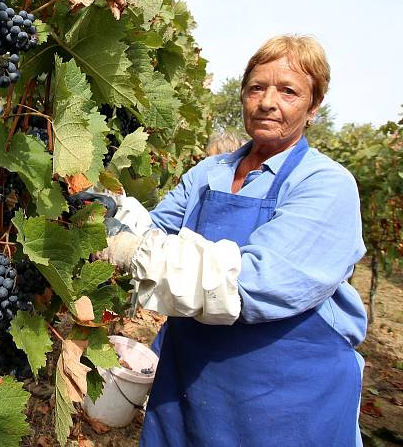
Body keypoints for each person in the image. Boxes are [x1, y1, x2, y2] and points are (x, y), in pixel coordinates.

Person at [98, 35, 366, 447]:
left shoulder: (325, 185)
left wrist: (132, 253)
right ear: (242, 94)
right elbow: (155, 232)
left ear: (313, 109)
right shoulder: (210, 172)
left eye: (288, 91)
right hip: (191, 378)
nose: (267, 102)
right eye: (256, 87)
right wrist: (109, 211)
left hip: (287, 398)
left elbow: (254, 282)